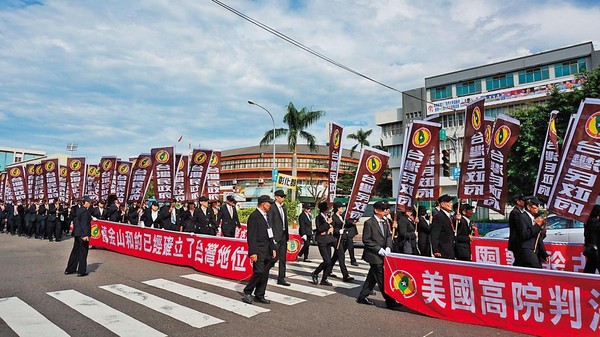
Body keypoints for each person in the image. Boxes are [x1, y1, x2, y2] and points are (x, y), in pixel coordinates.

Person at [356, 201, 400, 309]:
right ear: (376, 210)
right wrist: (378, 249)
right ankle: (390, 302)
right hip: (374, 255)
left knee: (372, 277)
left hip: (384, 253)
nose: (385, 211)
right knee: (381, 278)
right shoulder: (369, 223)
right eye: (383, 209)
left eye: (386, 209)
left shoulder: (385, 222)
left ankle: (362, 297)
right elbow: (366, 240)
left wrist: (388, 247)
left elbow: (389, 236)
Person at [242, 195, 277, 304]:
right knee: (259, 271)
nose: (270, 206)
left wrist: (273, 248)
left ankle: (259, 294)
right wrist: (252, 252)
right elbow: (251, 236)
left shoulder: (266, 216)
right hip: (258, 249)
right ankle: (248, 291)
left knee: (265, 273)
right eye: (268, 204)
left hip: (267, 249)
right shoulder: (254, 216)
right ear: (263, 204)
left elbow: (269, 233)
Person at [65, 196, 92, 277]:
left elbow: (76, 222)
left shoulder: (78, 210)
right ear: (86, 203)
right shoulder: (85, 212)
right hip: (82, 234)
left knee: (75, 252)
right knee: (83, 253)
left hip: (77, 233)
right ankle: (81, 271)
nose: (90, 204)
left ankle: (70, 269)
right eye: (89, 202)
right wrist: (85, 235)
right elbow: (84, 223)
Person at [518, 197, 549, 268]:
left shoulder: (534, 218)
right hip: (527, 249)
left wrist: (544, 253)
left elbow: (538, 239)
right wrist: (537, 226)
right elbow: (524, 235)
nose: (538, 207)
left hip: (536, 250)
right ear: (529, 207)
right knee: (536, 270)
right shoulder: (522, 217)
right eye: (536, 206)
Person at [268, 190, 290, 286]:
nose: (283, 198)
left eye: (283, 196)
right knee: (273, 258)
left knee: (283, 258)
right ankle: (263, 272)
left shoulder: (283, 208)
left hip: (284, 236)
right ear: (276, 197)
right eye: (281, 196)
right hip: (275, 236)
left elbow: (285, 222)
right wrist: (271, 237)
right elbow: (270, 223)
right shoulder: (272, 208)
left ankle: (281, 278)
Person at [311, 202, 336, 286]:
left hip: (328, 240)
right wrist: (328, 223)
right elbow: (320, 229)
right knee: (327, 260)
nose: (329, 209)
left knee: (330, 261)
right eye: (327, 208)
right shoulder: (319, 217)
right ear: (324, 209)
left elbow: (330, 226)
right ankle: (315, 273)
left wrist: (331, 226)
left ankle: (324, 279)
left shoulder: (327, 217)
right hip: (321, 241)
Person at [329, 201, 354, 282]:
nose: (342, 209)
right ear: (337, 208)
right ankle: (345, 275)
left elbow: (345, 224)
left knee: (335, 257)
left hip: (343, 238)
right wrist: (338, 231)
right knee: (341, 257)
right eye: (340, 207)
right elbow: (332, 228)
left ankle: (328, 270)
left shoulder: (341, 217)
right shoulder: (333, 217)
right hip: (337, 240)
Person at [431, 194, 457, 259]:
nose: (451, 204)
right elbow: (435, 234)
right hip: (443, 249)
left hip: (450, 248)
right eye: (449, 202)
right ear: (442, 204)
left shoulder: (449, 216)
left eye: (451, 202)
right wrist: (436, 250)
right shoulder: (439, 216)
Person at [508, 194, 526, 266]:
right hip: (516, 242)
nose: (524, 202)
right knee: (518, 260)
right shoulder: (515, 213)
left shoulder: (520, 212)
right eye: (523, 200)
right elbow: (519, 226)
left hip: (519, 242)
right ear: (518, 202)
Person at [583, 205, 600, 274]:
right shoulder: (594, 222)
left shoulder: (587, 221)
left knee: (590, 267)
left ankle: (585, 281)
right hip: (595, 250)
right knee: (591, 267)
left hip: (590, 248)